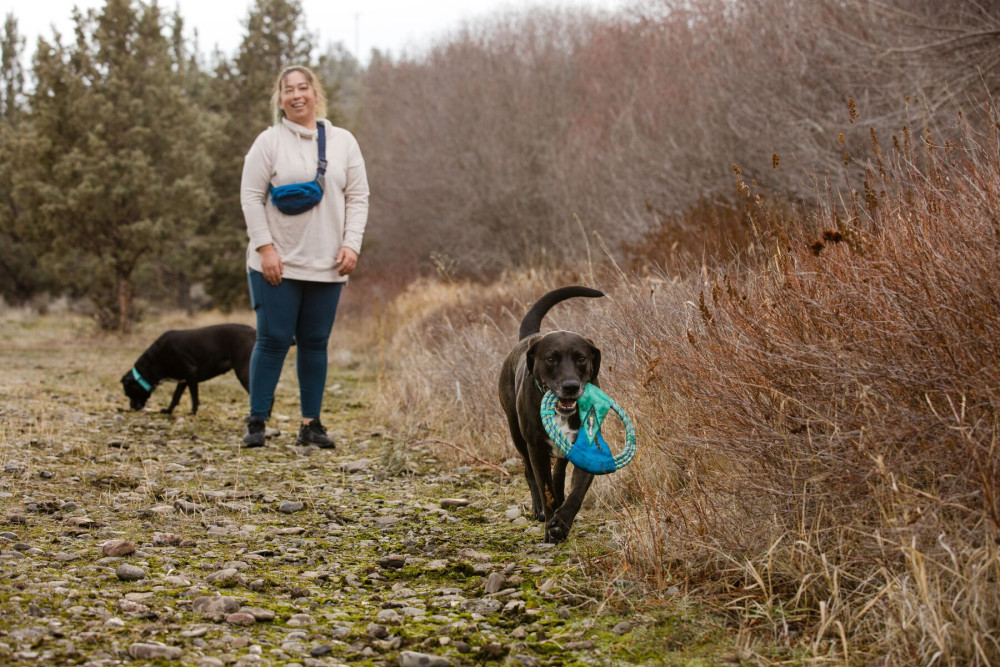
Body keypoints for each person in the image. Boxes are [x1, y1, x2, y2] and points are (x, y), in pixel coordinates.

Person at [239, 65, 369, 448]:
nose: (296, 95)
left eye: (303, 88)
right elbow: (250, 196)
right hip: (276, 262)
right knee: (273, 340)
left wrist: (351, 244)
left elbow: (358, 197)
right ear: (279, 99)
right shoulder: (268, 142)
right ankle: (256, 422)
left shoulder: (343, 141)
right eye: (287, 90)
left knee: (315, 343)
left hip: (328, 262)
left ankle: (311, 425)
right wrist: (265, 249)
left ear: (315, 93)